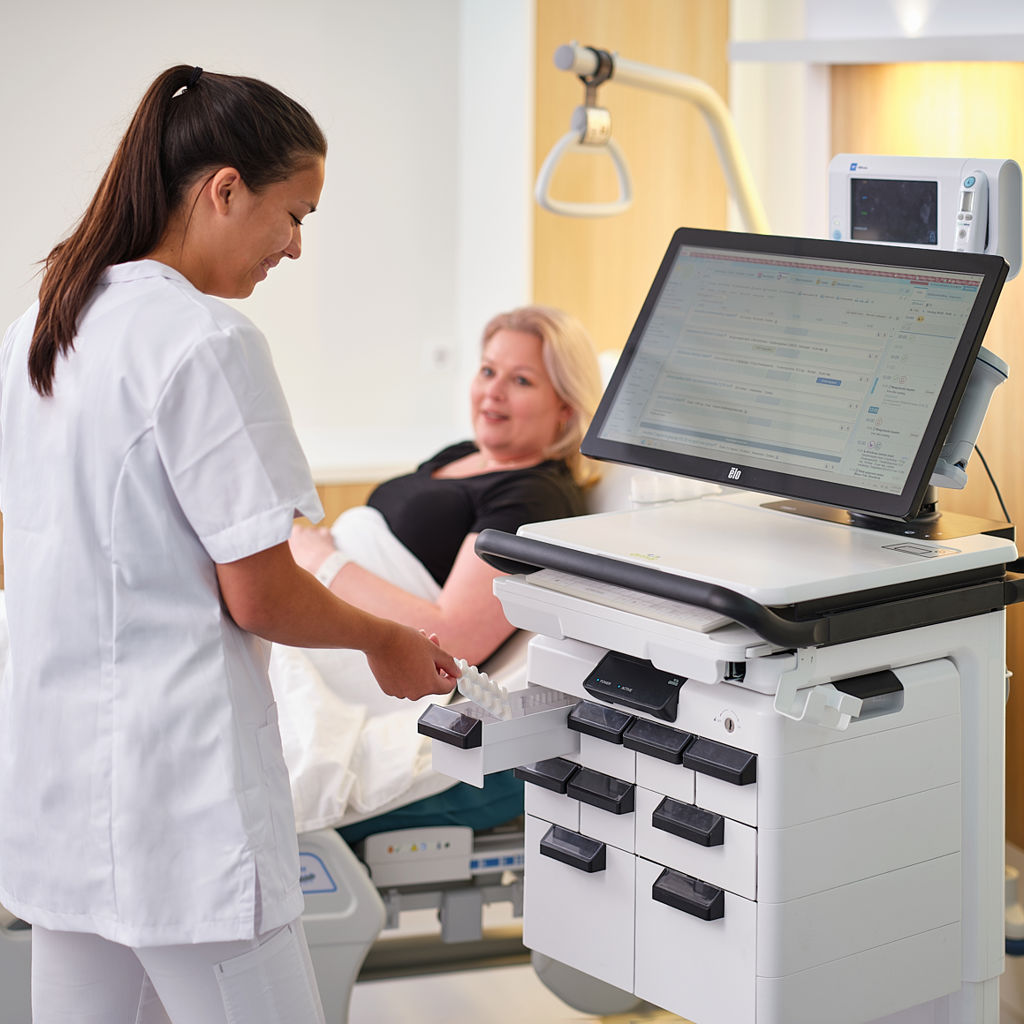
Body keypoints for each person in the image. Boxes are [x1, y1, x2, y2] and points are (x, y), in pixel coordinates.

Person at [0, 66, 457, 1024]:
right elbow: (261, 595)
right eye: (294, 214)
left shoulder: (43, 324)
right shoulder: (207, 342)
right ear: (222, 189)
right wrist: (382, 639)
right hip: (180, 805)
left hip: (60, 794)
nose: (295, 247)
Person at [279, 305, 603, 832]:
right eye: (487, 370)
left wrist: (323, 560)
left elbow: (454, 637)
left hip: (357, 663)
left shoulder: (534, 496)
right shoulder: (464, 453)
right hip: (319, 606)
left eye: (520, 380)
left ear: (565, 409)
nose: (493, 391)